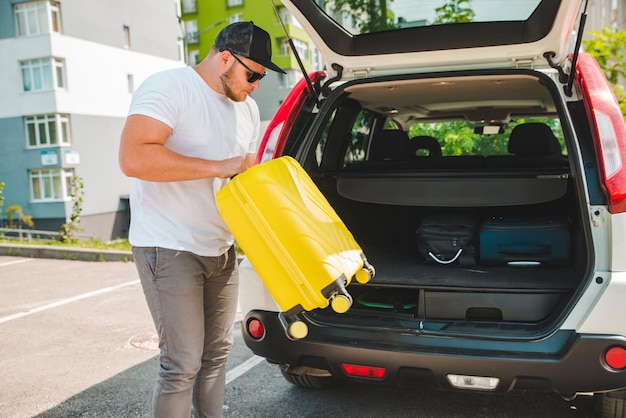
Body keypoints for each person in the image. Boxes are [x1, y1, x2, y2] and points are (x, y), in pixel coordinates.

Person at [118, 21, 286, 418]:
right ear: (225, 57)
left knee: (217, 355)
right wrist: (220, 165)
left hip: (221, 248)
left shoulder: (247, 108)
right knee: (182, 363)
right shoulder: (169, 88)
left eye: (262, 76)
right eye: (254, 74)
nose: (257, 84)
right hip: (168, 245)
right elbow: (134, 158)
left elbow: (240, 181)